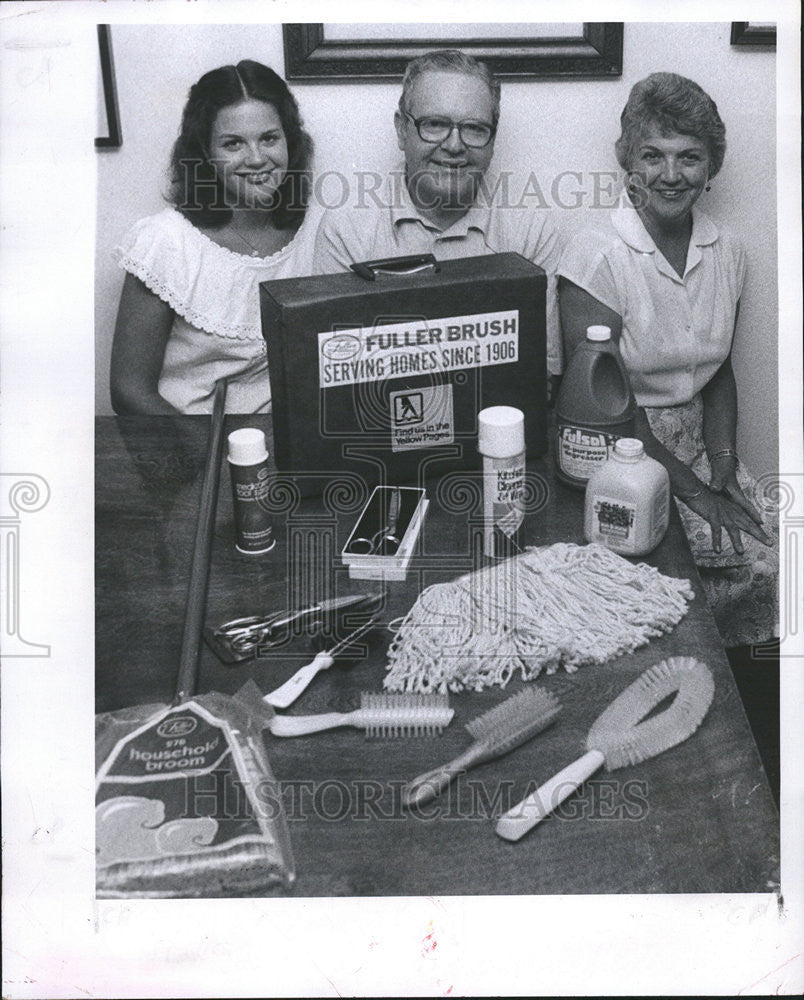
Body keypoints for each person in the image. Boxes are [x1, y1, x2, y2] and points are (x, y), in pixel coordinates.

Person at [557, 72, 778, 646]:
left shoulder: (726, 248)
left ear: (712, 168)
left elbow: (718, 369)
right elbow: (603, 403)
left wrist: (724, 465)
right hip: (620, 446)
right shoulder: (596, 253)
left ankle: (753, 718)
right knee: (658, 593)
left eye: (690, 157)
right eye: (653, 156)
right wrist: (696, 494)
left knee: (777, 557)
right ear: (627, 161)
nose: (671, 175)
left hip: (702, 442)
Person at [312, 49, 563, 380]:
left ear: (492, 140)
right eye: (435, 125)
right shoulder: (345, 230)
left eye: (474, 128)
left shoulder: (532, 231)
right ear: (402, 130)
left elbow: (543, 372)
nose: (455, 145)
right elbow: (336, 370)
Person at [110, 60, 318, 414]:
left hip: (289, 443)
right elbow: (129, 391)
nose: (256, 159)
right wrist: (210, 459)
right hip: (191, 447)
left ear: (290, 141)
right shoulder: (164, 242)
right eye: (233, 143)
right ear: (205, 154)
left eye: (269, 138)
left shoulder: (320, 228)